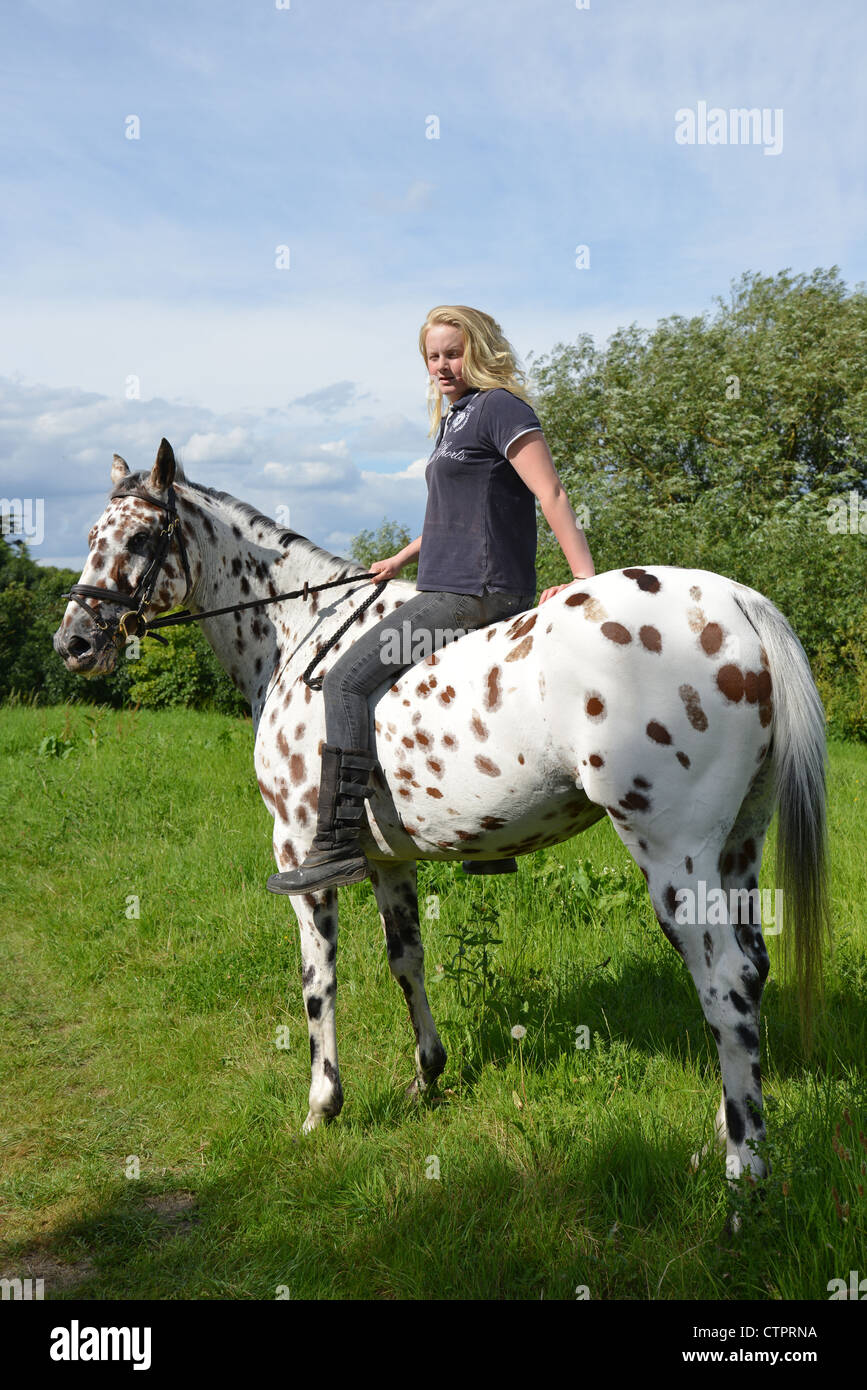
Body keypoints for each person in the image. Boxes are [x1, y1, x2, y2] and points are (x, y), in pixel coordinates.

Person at [267, 305, 595, 896]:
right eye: (433, 357)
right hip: (445, 582)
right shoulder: (455, 419)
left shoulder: (499, 408)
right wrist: (400, 558)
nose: (442, 366)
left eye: (453, 353)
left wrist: (584, 580)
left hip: (472, 596)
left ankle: (338, 841)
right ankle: (485, 840)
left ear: (480, 351)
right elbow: (454, 517)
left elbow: (551, 492)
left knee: (343, 681)